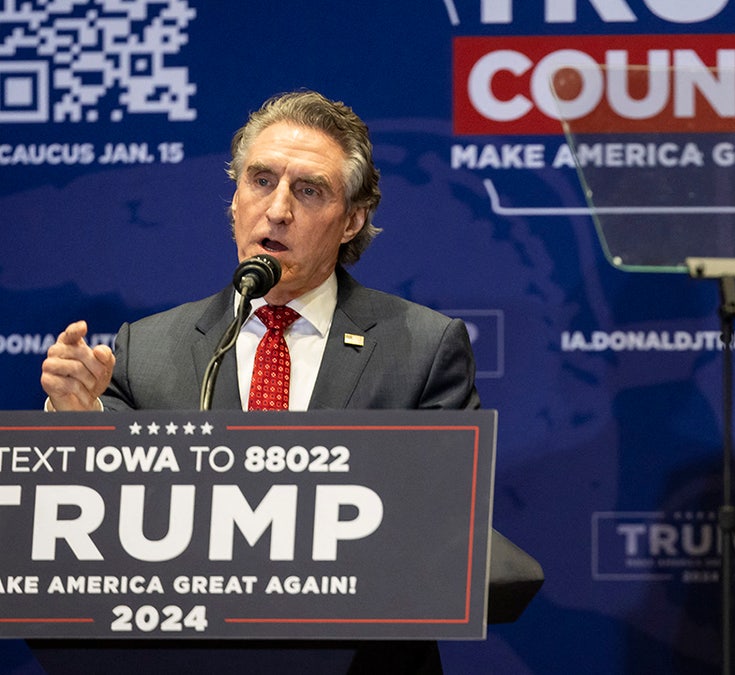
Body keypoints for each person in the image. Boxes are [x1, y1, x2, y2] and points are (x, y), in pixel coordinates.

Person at [38, 90, 478, 674]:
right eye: (261, 180)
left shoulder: (422, 347)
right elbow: (103, 530)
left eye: (309, 190)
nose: (277, 210)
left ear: (351, 220)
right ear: (235, 198)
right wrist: (76, 420)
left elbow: (440, 529)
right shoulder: (144, 350)